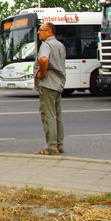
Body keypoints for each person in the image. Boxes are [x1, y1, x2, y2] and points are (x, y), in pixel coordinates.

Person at [34, 22, 66, 155]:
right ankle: (59, 144)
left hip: (48, 84)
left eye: (41, 30)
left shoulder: (46, 45)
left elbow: (43, 60)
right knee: (58, 116)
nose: (38, 32)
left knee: (48, 116)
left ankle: (51, 147)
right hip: (58, 83)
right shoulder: (60, 45)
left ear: (49, 32)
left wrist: (41, 73)